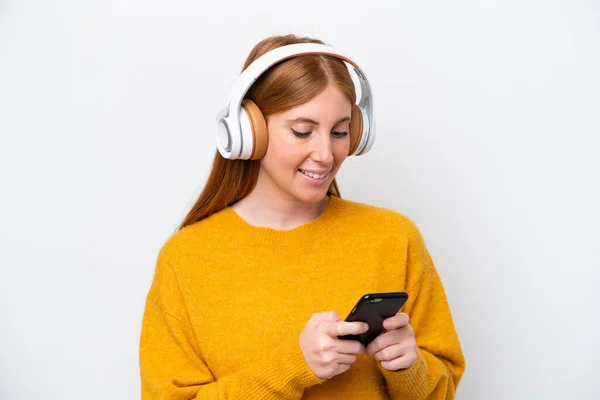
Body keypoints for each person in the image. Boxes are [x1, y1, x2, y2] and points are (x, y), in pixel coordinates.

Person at [139, 34, 466, 399]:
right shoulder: (186, 260)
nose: (326, 154)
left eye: (340, 132)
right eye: (302, 131)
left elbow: (443, 389)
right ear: (249, 131)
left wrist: (410, 368)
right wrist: (294, 368)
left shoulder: (394, 237)